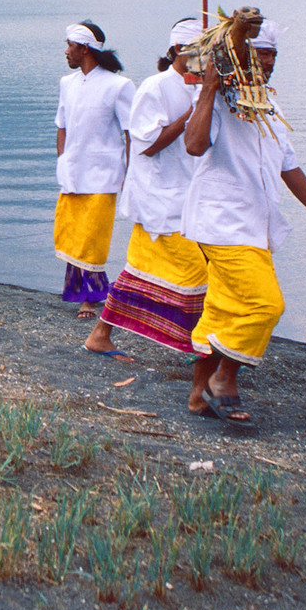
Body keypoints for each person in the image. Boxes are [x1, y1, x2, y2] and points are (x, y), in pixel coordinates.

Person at [183, 14, 306, 427]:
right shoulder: (219, 100)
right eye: (260, 54)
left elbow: (288, 166)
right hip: (221, 222)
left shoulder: (269, 106)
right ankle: (224, 379)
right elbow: (194, 144)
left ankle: (197, 394)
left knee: (223, 311)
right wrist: (208, 88)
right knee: (266, 304)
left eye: (273, 55)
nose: (269, 63)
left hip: (256, 225)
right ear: (239, 59)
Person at [86, 18, 205, 359]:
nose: (202, 57)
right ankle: (196, 344)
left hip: (188, 193)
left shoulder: (200, 87)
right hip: (159, 196)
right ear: (176, 51)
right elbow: (148, 145)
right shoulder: (156, 86)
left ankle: (101, 333)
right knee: (194, 269)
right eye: (196, 50)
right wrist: (189, 113)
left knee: (143, 271)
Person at [54, 21, 134, 317]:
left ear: (84, 49)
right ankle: (79, 292)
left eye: (69, 46)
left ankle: (92, 297)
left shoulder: (118, 85)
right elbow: (61, 125)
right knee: (71, 233)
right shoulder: (67, 83)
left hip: (103, 173)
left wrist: (132, 172)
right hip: (73, 171)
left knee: (92, 237)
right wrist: (62, 158)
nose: (66, 52)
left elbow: (131, 132)